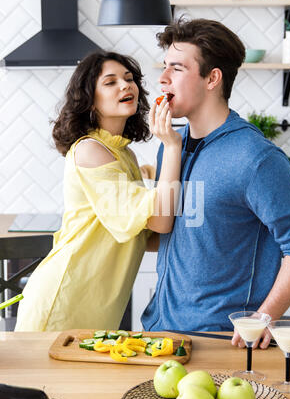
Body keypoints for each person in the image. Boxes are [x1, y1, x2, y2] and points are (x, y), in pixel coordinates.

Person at [141, 18, 290, 349]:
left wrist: (264, 316)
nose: (162, 78)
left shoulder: (256, 159)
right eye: (164, 66)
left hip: (220, 341)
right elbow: (171, 230)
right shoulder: (171, 145)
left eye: (177, 68)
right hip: (160, 333)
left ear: (212, 78)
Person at [15, 50, 182, 331]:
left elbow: (143, 234)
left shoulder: (122, 153)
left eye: (129, 79)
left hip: (93, 304)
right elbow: (161, 222)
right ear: (89, 99)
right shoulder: (91, 151)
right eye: (110, 82)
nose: (125, 86)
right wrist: (173, 145)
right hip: (64, 300)